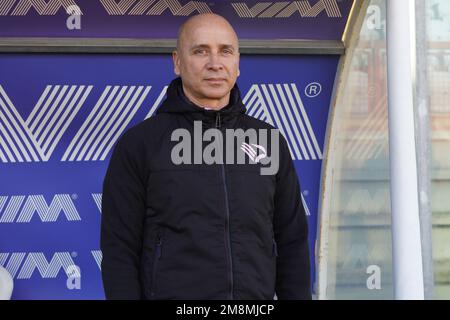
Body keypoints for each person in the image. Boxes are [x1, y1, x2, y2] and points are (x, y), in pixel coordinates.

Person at [100, 13, 311, 300]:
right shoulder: (140, 144)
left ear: (237, 64)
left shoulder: (268, 141)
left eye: (226, 51)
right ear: (177, 62)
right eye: (200, 51)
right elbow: (119, 250)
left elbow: (292, 242)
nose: (215, 63)